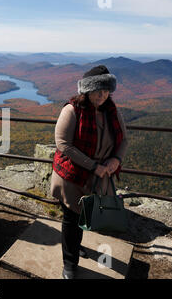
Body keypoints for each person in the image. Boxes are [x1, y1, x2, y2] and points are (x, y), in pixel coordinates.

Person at [50, 65, 128, 279]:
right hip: (73, 176)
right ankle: (69, 263)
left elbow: (123, 139)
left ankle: (75, 248)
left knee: (86, 215)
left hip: (99, 176)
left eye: (106, 90)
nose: (102, 95)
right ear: (86, 90)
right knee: (72, 218)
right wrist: (94, 165)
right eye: (97, 90)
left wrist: (116, 159)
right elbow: (63, 144)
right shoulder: (72, 110)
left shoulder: (112, 111)